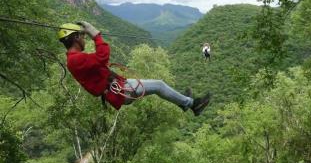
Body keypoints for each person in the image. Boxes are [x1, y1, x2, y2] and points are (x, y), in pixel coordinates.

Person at [57, 22, 211, 116]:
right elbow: (103, 56)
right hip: (120, 91)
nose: (85, 39)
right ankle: (192, 105)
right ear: (76, 38)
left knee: (158, 86)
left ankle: (182, 101)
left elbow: (97, 63)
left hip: (118, 87)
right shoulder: (76, 59)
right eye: (83, 36)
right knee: (159, 85)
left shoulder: (74, 59)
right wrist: (96, 35)